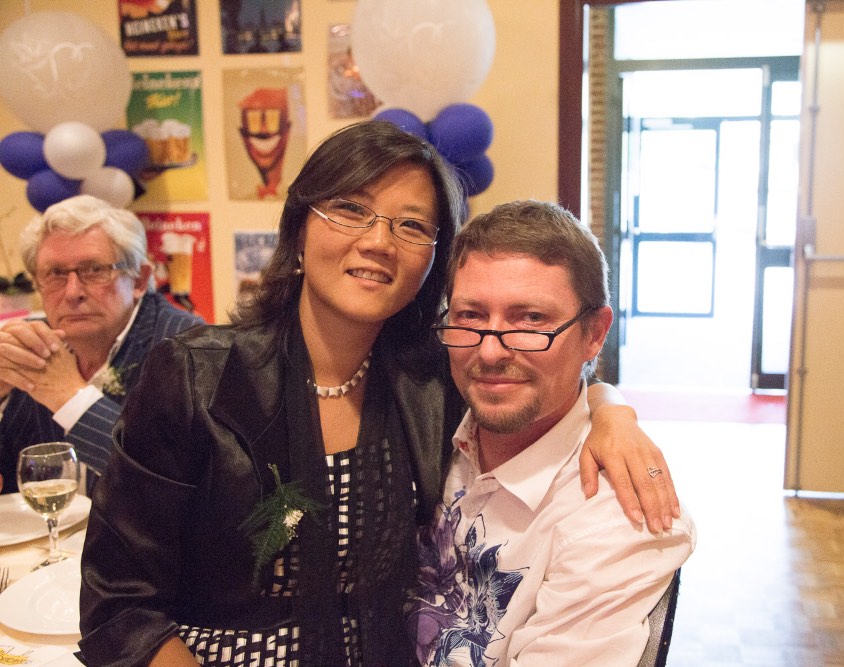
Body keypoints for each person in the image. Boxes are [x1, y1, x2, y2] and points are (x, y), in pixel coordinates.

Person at [79, 121, 676, 667]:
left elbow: (540, 366)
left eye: (411, 225)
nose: (378, 241)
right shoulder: (196, 377)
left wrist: (609, 411)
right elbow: (119, 605)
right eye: (350, 209)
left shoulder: (432, 381)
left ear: (433, 261)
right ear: (299, 226)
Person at [406, 200, 696, 665]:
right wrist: (610, 406)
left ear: (594, 333)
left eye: (531, 319)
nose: (490, 352)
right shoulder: (431, 420)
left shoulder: (616, 519)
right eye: (470, 315)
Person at [0, 194, 203, 493]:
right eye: (55, 274)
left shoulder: (189, 348)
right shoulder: (31, 343)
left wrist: (70, 398)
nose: (72, 293)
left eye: (95, 270)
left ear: (139, 279)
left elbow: (172, 481)